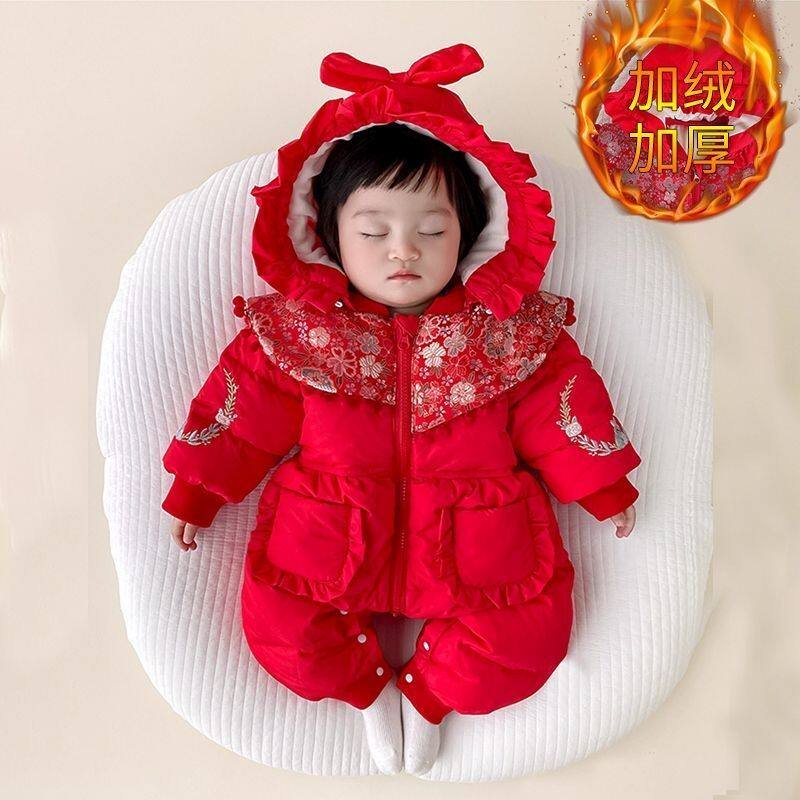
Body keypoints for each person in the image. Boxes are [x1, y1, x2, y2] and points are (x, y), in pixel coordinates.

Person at [161, 44, 640, 776]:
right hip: (328, 529)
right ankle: (364, 687)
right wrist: (198, 491)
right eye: (373, 230)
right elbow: (242, 411)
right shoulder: (295, 332)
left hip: (478, 535)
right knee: (283, 630)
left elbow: (562, 408)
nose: (403, 251)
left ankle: (428, 692)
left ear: (473, 232)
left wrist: (602, 487)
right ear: (326, 232)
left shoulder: (508, 331)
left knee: (527, 638)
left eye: (432, 230)